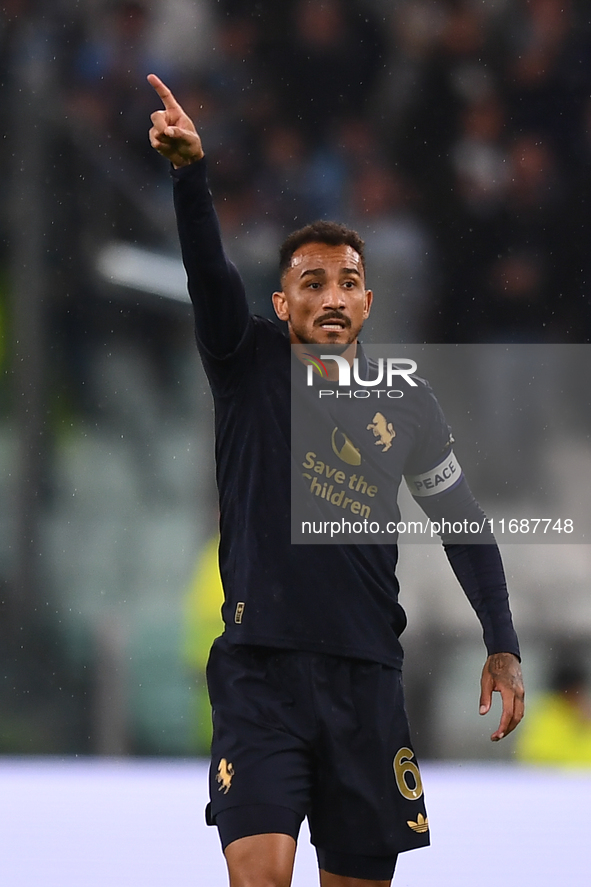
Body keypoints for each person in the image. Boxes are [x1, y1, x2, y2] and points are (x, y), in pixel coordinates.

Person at [147, 73, 525, 887]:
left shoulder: (405, 400)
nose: (330, 295)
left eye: (346, 281)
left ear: (366, 301)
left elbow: (461, 519)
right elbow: (209, 274)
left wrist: (501, 640)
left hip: (364, 676)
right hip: (261, 673)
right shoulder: (245, 363)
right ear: (282, 303)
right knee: (260, 875)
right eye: (311, 283)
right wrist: (191, 175)